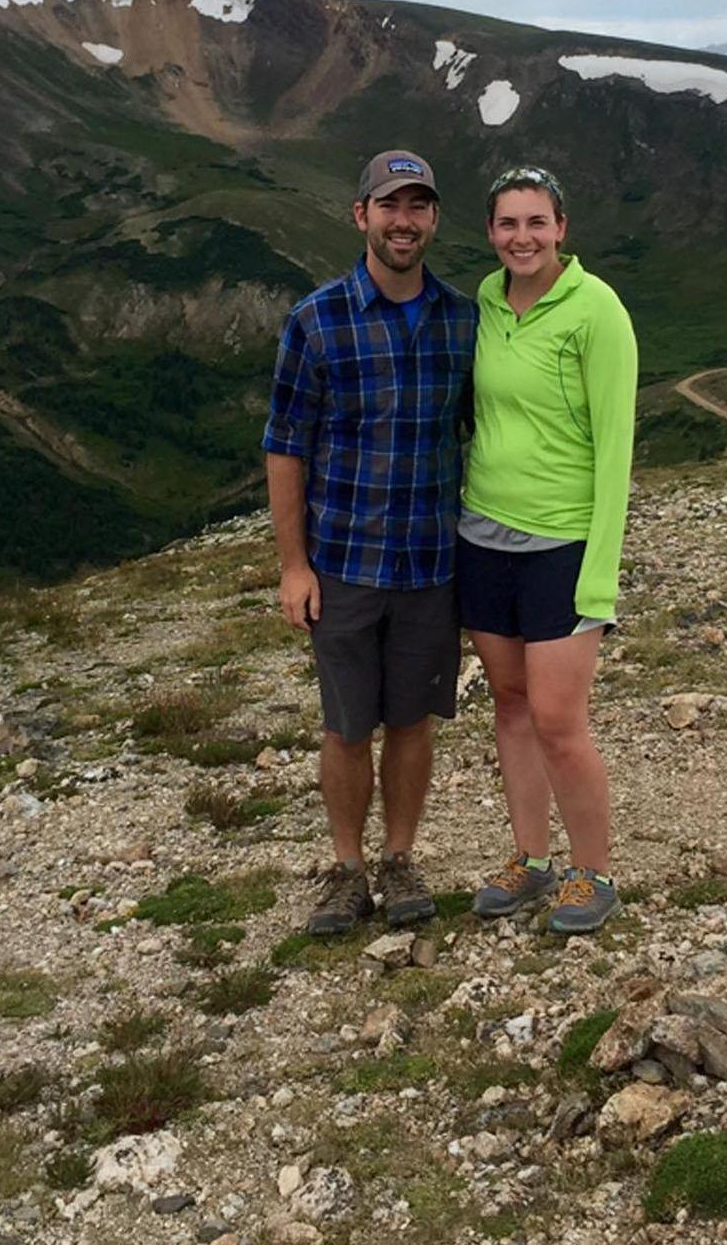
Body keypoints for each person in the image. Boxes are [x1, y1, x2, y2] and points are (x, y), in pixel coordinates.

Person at [262, 150, 476, 936]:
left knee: (414, 722)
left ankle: (399, 857)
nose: (404, 221)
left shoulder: (462, 319)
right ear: (361, 216)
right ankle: (347, 870)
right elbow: (285, 444)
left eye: (418, 206)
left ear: (433, 220)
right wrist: (293, 567)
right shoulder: (316, 319)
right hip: (345, 562)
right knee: (347, 726)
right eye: (390, 206)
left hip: (430, 564)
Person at [459, 165, 638, 934]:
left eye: (536, 223)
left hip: (561, 544)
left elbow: (615, 450)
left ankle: (591, 872)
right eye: (507, 224)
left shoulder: (597, 310)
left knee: (560, 721)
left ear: (562, 228)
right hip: (482, 534)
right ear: (492, 233)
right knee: (510, 706)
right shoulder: (487, 302)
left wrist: (598, 576)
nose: (521, 238)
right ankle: (531, 860)